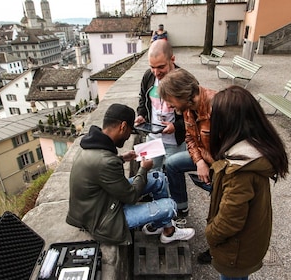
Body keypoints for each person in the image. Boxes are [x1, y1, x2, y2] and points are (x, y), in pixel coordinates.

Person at [66, 103, 195, 245]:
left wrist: (121, 158)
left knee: (159, 179)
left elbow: (100, 171)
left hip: (104, 201)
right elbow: (131, 196)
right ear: (123, 126)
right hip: (103, 219)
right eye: (130, 131)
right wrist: (144, 169)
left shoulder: (92, 145)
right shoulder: (106, 161)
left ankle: (163, 229)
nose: (128, 136)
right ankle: (165, 225)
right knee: (170, 206)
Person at [205, 86, 289, 279]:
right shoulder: (256, 149)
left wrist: (210, 234)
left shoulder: (239, 170)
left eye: (214, 117)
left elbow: (229, 221)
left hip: (236, 251)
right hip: (248, 243)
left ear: (226, 123)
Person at [157, 68, 217, 219]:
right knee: (171, 164)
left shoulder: (218, 105)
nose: (169, 106)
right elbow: (189, 137)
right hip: (204, 156)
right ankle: (181, 208)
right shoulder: (187, 107)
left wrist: (213, 169)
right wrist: (199, 162)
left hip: (222, 163)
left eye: (170, 100)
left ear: (182, 94)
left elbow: (230, 152)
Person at [135, 39, 186, 172]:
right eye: (152, 67)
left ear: (172, 59)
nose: (156, 73)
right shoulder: (148, 76)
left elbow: (194, 113)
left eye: (161, 67)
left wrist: (176, 126)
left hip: (175, 141)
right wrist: (142, 115)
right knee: (151, 172)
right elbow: (142, 99)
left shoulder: (184, 80)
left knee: (173, 176)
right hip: (153, 136)